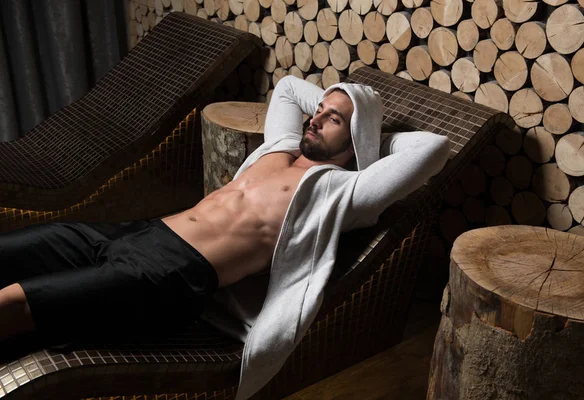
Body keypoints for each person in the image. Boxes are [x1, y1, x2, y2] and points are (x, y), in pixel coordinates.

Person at [0, 76, 450, 399]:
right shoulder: (281, 146)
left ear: (356, 137)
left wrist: (370, 137)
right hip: (138, 232)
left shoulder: (346, 193)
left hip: (168, 274)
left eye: (332, 120)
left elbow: (433, 148)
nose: (316, 119)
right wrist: (337, 104)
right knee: (14, 250)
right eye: (319, 112)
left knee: (15, 304)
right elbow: (291, 86)